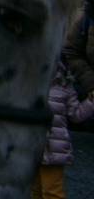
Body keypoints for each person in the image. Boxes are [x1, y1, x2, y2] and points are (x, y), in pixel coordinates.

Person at [31, 59, 94, 198]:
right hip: (31, 146)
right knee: (34, 190)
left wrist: (90, 102)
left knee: (51, 191)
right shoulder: (29, 82)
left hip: (54, 148)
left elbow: (76, 115)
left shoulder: (65, 86)